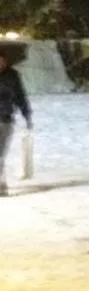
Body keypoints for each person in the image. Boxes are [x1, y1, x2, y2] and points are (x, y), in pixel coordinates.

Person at [0, 52, 32, 196]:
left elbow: (20, 96)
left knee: (0, 152)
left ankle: (1, 183)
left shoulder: (12, 75)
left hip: (6, 118)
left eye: (2, 61)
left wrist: (27, 115)